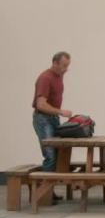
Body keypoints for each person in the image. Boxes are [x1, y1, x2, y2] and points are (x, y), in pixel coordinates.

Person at [32, 51, 73, 201]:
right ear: (55, 63)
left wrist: (57, 114)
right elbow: (41, 104)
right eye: (64, 66)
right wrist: (61, 111)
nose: (66, 69)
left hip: (53, 119)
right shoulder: (45, 78)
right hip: (43, 119)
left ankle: (48, 191)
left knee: (57, 154)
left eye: (67, 66)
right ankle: (43, 195)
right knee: (50, 154)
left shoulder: (59, 76)